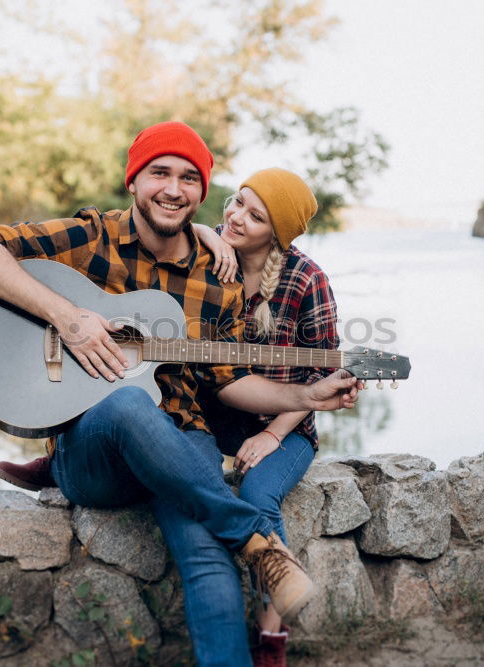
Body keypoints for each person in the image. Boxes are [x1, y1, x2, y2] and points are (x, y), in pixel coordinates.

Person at [0, 121, 360, 667]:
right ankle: (258, 542)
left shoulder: (218, 276)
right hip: (92, 452)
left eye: (190, 178)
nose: (173, 188)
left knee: (206, 556)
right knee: (125, 403)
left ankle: (242, 565)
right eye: (159, 172)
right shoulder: (92, 238)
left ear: (201, 192)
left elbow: (230, 383)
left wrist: (306, 400)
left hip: (181, 441)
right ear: (133, 181)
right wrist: (67, 318)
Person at [192, 168, 337, 666]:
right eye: (237, 203)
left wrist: (274, 435)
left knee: (256, 492)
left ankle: (272, 637)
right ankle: (61, 451)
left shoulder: (306, 278)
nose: (235, 217)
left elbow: (321, 375)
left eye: (255, 217)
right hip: (212, 413)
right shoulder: (208, 256)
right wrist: (207, 234)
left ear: (276, 233)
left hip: (287, 425)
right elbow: (169, 235)